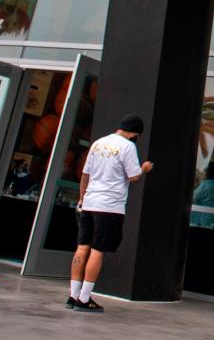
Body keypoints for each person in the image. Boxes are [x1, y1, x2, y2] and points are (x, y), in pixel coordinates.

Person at [67, 114, 154, 312]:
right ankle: (84, 298)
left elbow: (85, 174)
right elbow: (133, 176)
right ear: (133, 133)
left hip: (89, 202)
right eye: (137, 136)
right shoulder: (128, 146)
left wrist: (82, 198)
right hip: (110, 206)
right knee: (98, 250)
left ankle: (73, 295)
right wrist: (145, 168)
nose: (136, 139)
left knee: (82, 247)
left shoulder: (98, 143)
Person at [191, 161, 214, 228]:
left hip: (203, 218)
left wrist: (195, 185)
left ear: (206, 172)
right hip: (211, 217)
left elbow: (192, 197)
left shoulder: (204, 186)